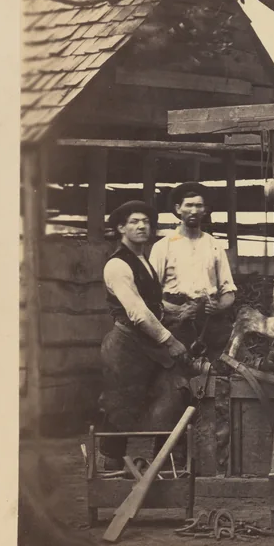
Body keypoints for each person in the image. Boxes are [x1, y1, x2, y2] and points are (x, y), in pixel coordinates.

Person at [97, 200, 189, 475]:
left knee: (171, 394)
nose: (141, 226)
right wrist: (170, 340)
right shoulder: (117, 265)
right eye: (134, 222)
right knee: (120, 404)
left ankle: (164, 461)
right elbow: (137, 312)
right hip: (126, 344)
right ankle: (111, 467)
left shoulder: (143, 260)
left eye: (146, 222)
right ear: (121, 228)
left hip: (148, 343)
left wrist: (179, 310)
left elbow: (151, 303)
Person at [148, 182, 238, 359]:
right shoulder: (163, 247)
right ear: (178, 209)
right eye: (189, 205)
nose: (194, 211)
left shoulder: (214, 245)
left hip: (210, 320)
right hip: (176, 320)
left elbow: (229, 292)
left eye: (199, 205)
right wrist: (176, 311)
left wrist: (219, 306)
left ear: (205, 210)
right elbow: (150, 296)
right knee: (176, 366)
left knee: (224, 364)